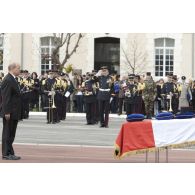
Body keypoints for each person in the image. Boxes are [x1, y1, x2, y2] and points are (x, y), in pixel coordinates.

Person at [0, 63, 21, 160]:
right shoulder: (8, 80)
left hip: (14, 111)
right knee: (7, 133)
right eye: (18, 68)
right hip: (10, 111)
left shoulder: (12, 79)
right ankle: (6, 153)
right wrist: (6, 112)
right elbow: (5, 98)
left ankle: (10, 152)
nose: (19, 70)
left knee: (11, 133)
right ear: (12, 69)